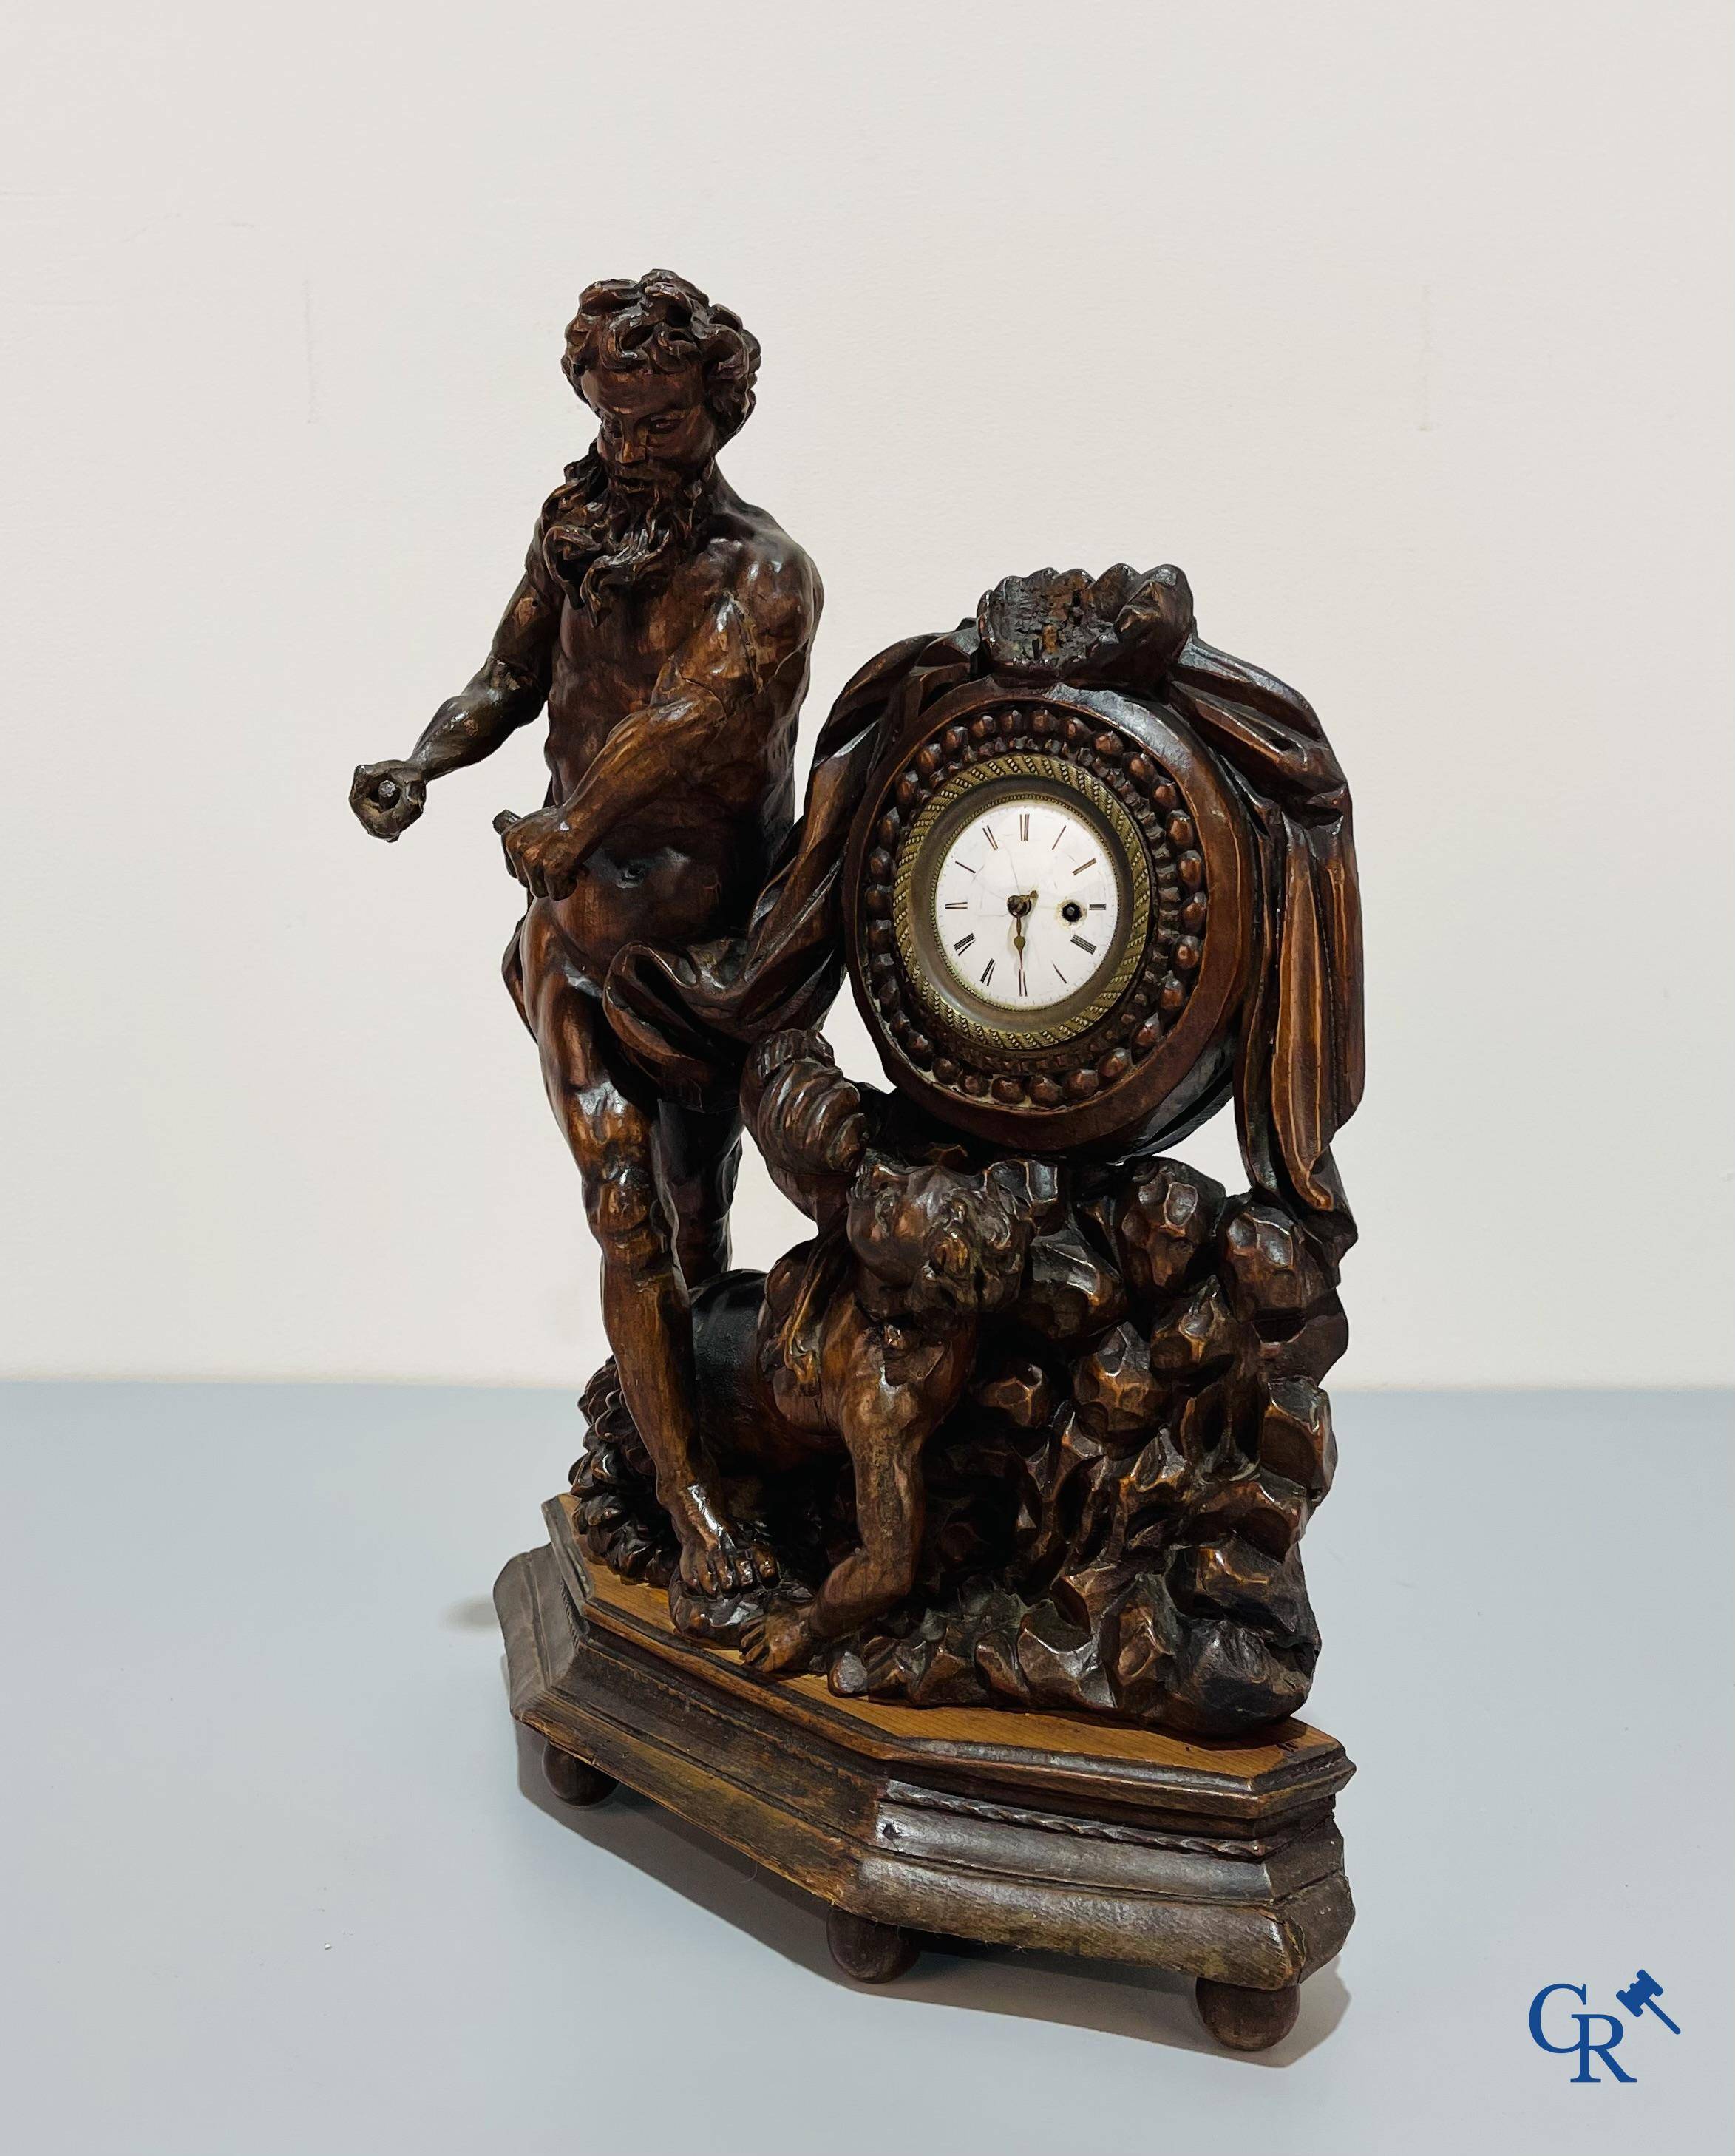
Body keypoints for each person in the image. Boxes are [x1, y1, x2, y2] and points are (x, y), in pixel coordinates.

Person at [350, 271, 821, 1598]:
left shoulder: (767, 575)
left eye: (660, 423)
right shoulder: (573, 536)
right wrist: (424, 761)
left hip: (726, 967)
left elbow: (704, 721)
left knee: (701, 1213)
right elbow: (510, 675)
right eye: (613, 420)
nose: (630, 449)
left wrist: (579, 815)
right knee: (624, 1204)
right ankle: (693, 1516)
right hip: (576, 944)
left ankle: (717, 1433)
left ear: (717, 412)